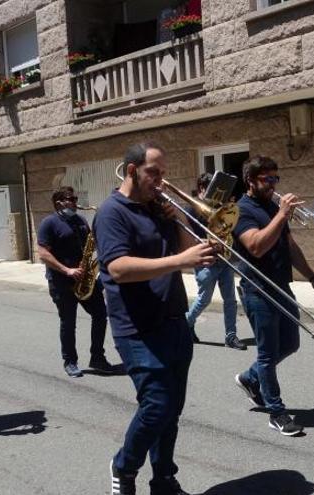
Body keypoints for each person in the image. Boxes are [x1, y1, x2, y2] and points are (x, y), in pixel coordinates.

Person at [96, 142, 215, 495]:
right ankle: (123, 466)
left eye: (164, 173)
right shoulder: (111, 212)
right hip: (137, 328)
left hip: (174, 320)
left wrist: (177, 218)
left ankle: (163, 478)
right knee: (156, 405)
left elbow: (184, 248)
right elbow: (118, 268)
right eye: (154, 173)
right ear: (132, 170)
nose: (161, 181)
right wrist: (180, 262)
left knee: (171, 410)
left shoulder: (156, 209)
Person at [231, 155, 314, 436]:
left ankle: (250, 378)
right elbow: (255, 246)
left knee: (291, 343)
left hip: (281, 286)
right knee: (267, 352)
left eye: (276, 178)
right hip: (257, 290)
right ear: (250, 181)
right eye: (267, 179)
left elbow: (289, 245)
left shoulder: (272, 206)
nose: (273, 184)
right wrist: (282, 215)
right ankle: (276, 412)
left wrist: (312, 277)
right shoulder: (241, 210)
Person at [37, 186, 113, 378]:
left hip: (84, 277)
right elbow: (43, 253)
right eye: (70, 199)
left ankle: (97, 357)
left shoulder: (80, 220)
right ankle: (70, 361)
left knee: (100, 313)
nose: (74, 202)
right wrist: (67, 270)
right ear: (59, 202)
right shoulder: (49, 223)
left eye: (75, 198)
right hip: (61, 281)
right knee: (68, 322)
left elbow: (89, 245)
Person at [184, 172, 245, 350]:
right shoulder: (191, 209)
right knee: (205, 299)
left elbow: (228, 229)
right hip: (205, 260)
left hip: (223, 258)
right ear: (202, 188)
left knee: (230, 299)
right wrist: (207, 242)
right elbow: (188, 238)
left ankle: (231, 336)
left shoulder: (220, 207)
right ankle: (186, 323)